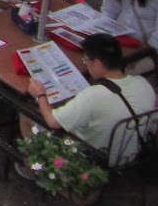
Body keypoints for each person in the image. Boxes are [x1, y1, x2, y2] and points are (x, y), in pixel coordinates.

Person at [25, 34, 157, 169]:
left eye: (86, 60)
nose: (86, 64)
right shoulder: (143, 83)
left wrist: (40, 95)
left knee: (26, 112)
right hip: (131, 153)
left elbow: (52, 122)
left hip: (96, 157)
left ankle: (32, 168)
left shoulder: (92, 96)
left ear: (98, 63)